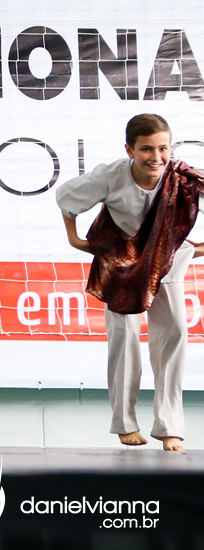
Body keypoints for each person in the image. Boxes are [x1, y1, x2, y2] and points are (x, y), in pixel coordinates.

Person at [56, 113, 203, 452]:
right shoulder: (110, 176)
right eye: (147, 149)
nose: (156, 157)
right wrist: (74, 239)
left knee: (174, 333)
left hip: (166, 261)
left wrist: (194, 248)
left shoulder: (182, 179)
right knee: (124, 337)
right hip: (121, 264)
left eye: (163, 148)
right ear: (130, 150)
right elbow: (66, 198)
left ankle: (170, 427)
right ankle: (125, 423)